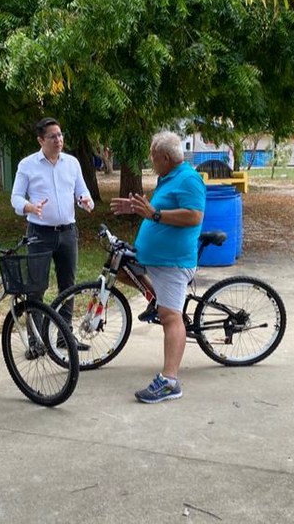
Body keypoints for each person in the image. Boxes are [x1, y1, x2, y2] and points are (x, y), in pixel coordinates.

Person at [110, 131, 205, 403]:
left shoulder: (188, 179)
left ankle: (170, 381)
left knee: (171, 318)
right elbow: (156, 209)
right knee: (120, 268)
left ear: (164, 157)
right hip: (155, 259)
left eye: (152, 157)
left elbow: (194, 216)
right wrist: (137, 208)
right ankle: (155, 298)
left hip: (173, 262)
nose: (151, 161)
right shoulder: (167, 177)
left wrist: (154, 214)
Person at [10, 117, 94, 345]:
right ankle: (35, 338)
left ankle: (64, 336)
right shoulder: (27, 165)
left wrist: (85, 201)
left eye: (60, 135)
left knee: (69, 285)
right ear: (41, 140)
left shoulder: (72, 163)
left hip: (68, 232)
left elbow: (82, 192)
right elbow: (15, 197)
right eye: (52, 137)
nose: (58, 140)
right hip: (39, 233)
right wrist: (28, 206)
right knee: (36, 286)